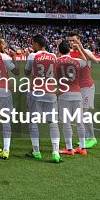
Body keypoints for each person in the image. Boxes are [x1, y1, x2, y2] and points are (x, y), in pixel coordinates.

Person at [25, 34, 62, 163]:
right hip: (50, 92)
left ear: (36, 44)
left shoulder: (32, 56)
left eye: (32, 43)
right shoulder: (53, 56)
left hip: (36, 91)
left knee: (33, 121)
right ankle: (56, 152)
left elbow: (26, 72)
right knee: (52, 122)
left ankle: (36, 151)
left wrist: (26, 57)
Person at [56, 40, 88, 155]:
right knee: (79, 122)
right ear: (70, 50)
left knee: (66, 122)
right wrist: (79, 48)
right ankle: (83, 147)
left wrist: (57, 50)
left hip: (64, 94)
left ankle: (69, 149)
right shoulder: (77, 61)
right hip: (77, 94)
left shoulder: (57, 61)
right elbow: (85, 61)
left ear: (60, 51)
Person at [69, 32, 99, 149]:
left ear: (79, 40)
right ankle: (86, 137)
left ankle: (92, 138)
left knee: (84, 113)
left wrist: (81, 48)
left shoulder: (86, 51)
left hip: (87, 86)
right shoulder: (70, 53)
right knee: (79, 114)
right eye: (70, 41)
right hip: (77, 87)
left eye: (74, 40)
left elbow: (94, 61)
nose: (72, 43)